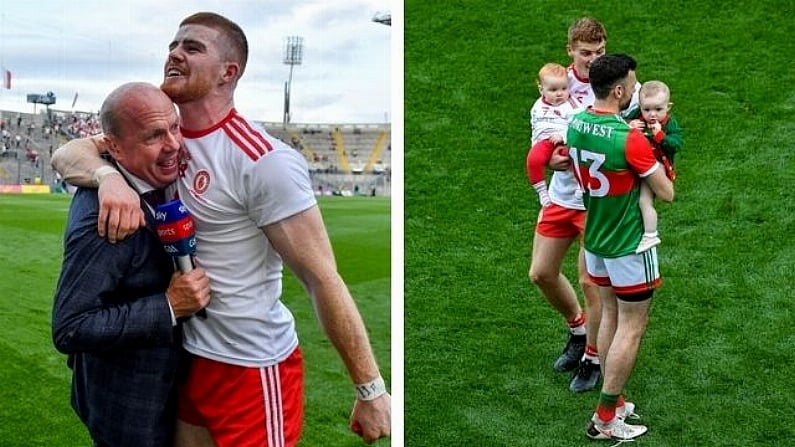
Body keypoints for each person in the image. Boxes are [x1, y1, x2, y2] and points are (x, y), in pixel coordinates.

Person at [51, 12, 390, 446]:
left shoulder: (263, 160)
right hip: (189, 360)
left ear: (228, 73)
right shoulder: (168, 138)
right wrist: (108, 178)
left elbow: (321, 277)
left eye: (192, 47)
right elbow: (71, 152)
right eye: (174, 45)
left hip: (250, 365)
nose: (175, 53)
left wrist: (370, 388)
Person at [51, 82, 211, 447]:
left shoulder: (152, 175)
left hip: (168, 392)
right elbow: (70, 327)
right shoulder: (104, 218)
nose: (173, 143)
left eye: (174, 127)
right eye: (155, 135)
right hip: (131, 408)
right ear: (115, 147)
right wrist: (169, 307)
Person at [566, 54, 674, 441]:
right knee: (632, 326)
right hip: (628, 244)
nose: (637, 87)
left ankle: (616, 397)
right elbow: (667, 192)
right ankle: (605, 418)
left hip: (594, 238)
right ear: (618, 90)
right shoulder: (627, 138)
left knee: (609, 313)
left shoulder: (576, 123)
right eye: (633, 83)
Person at [528, 16, 631, 394]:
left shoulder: (615, 86)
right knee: (541, 272)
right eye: (586, 52)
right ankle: (577, 328)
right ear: (570, 51)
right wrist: (549, 159)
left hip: (597, 203)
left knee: (592, 283)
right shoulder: (557, 84)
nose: (593, 59)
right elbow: (540, 130)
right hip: (562, 196)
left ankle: (592, 357)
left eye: (599, 51)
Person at [626, 80, 683, 253]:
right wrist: (628, 125)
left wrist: (660, 135)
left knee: (645, 200)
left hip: (656, 166)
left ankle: (650, 234)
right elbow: (618, 124)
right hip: (634, 164)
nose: (652, 114)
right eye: (647, 109)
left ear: (668, 107)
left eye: (658, 109)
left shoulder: (669, 124)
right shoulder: (637, 116)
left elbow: (676, 144)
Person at [526, 62, 582, 208]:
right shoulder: (537, 107)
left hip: (566, 140)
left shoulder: (572, 106)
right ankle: (542, 191)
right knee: (533, 159)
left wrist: (563, 136)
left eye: (564, 88)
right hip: (545, 142)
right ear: (541, 89)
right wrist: (535, 145)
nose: (559, 93)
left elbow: (577, 126)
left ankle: (580, 185)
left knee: (575, 154)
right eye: (553, 90)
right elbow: (535, 126)